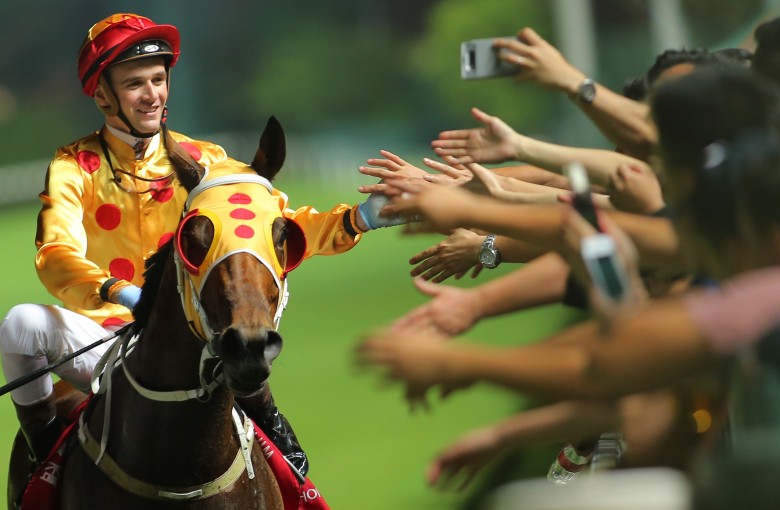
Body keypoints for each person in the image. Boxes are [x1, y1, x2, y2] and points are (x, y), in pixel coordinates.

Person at [0, 12, 397, 477]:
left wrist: (357, 219)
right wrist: (121, 292)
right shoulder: (73, 165)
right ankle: (44, 449)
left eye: (157, 79)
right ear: (103, 95)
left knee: (238, 314)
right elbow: (55, 255)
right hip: (105, 341)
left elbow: (272, 228)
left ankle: (268, 419)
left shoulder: (205, 162)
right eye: (134, 84)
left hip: (187, 330)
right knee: (19, 324)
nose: (151, 94)